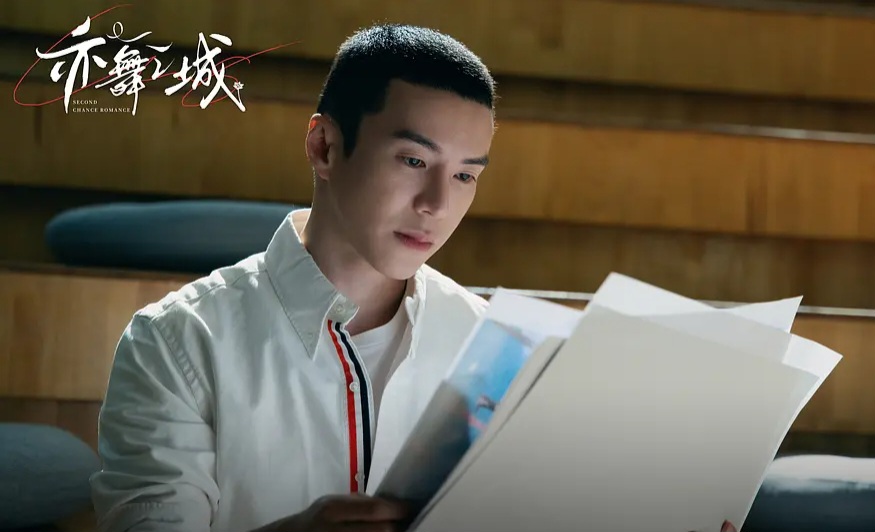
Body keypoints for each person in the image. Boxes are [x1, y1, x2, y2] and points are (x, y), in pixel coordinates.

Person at [90, 23, 739, 532]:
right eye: (412, 160)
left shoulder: (497, 349)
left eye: (465, 175)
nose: (437, 203)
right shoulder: (176, 341)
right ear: (323, 147)